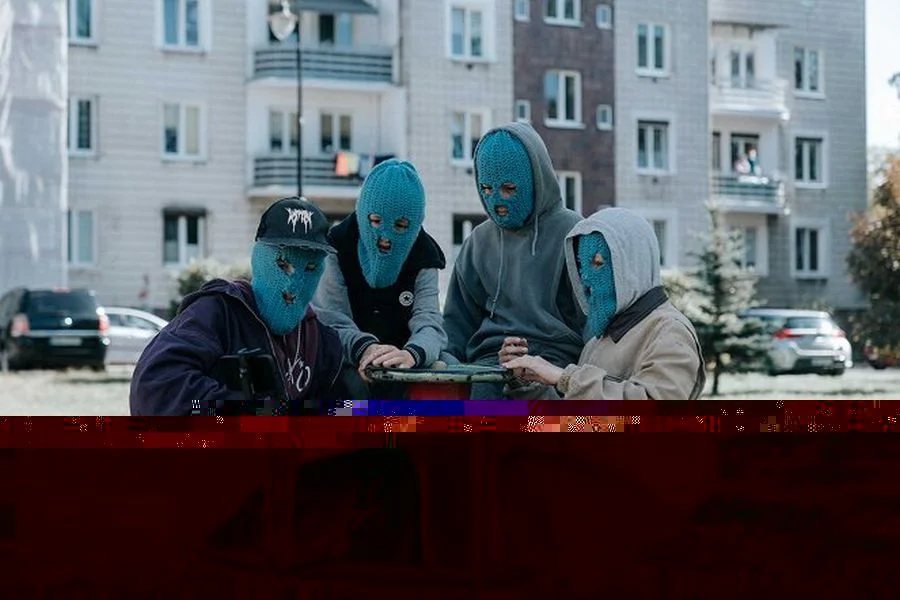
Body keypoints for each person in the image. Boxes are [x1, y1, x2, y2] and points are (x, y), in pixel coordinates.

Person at [130, 197, 346, 415]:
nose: (293, 283)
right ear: (259, 260)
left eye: (309, 268)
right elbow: (155, 390)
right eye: (283, 264)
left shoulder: (321, 342)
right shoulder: (216, 313)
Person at [442, 121, 585, 399]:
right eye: (486, 189)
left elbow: (592, 323)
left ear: (535, 181)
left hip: (556, 363)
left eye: (509, 188)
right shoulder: (478, 241)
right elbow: (457, 324)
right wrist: (447, 366)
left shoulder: (574, 234)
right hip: (488, 365)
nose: (497, 201)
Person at [500, 207, 706, 400]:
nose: (585, 277)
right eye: (581, 265)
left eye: (598, 262)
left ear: (633, 264)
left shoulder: (668, 330)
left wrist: (565, 378)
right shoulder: (602, 335)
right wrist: (526, 378)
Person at [312, 158, 447, 399]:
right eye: (375, 221)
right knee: (346, 391)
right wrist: (366, 349)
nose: (385, 237)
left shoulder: (425, 255)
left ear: (414, 226)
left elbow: (429, 321)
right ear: (362, 213)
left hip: (406, 359)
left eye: (400, 226)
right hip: (347, 358)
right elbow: (331, 319)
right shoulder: (336, 246)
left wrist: (412, 354)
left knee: (445, 378)